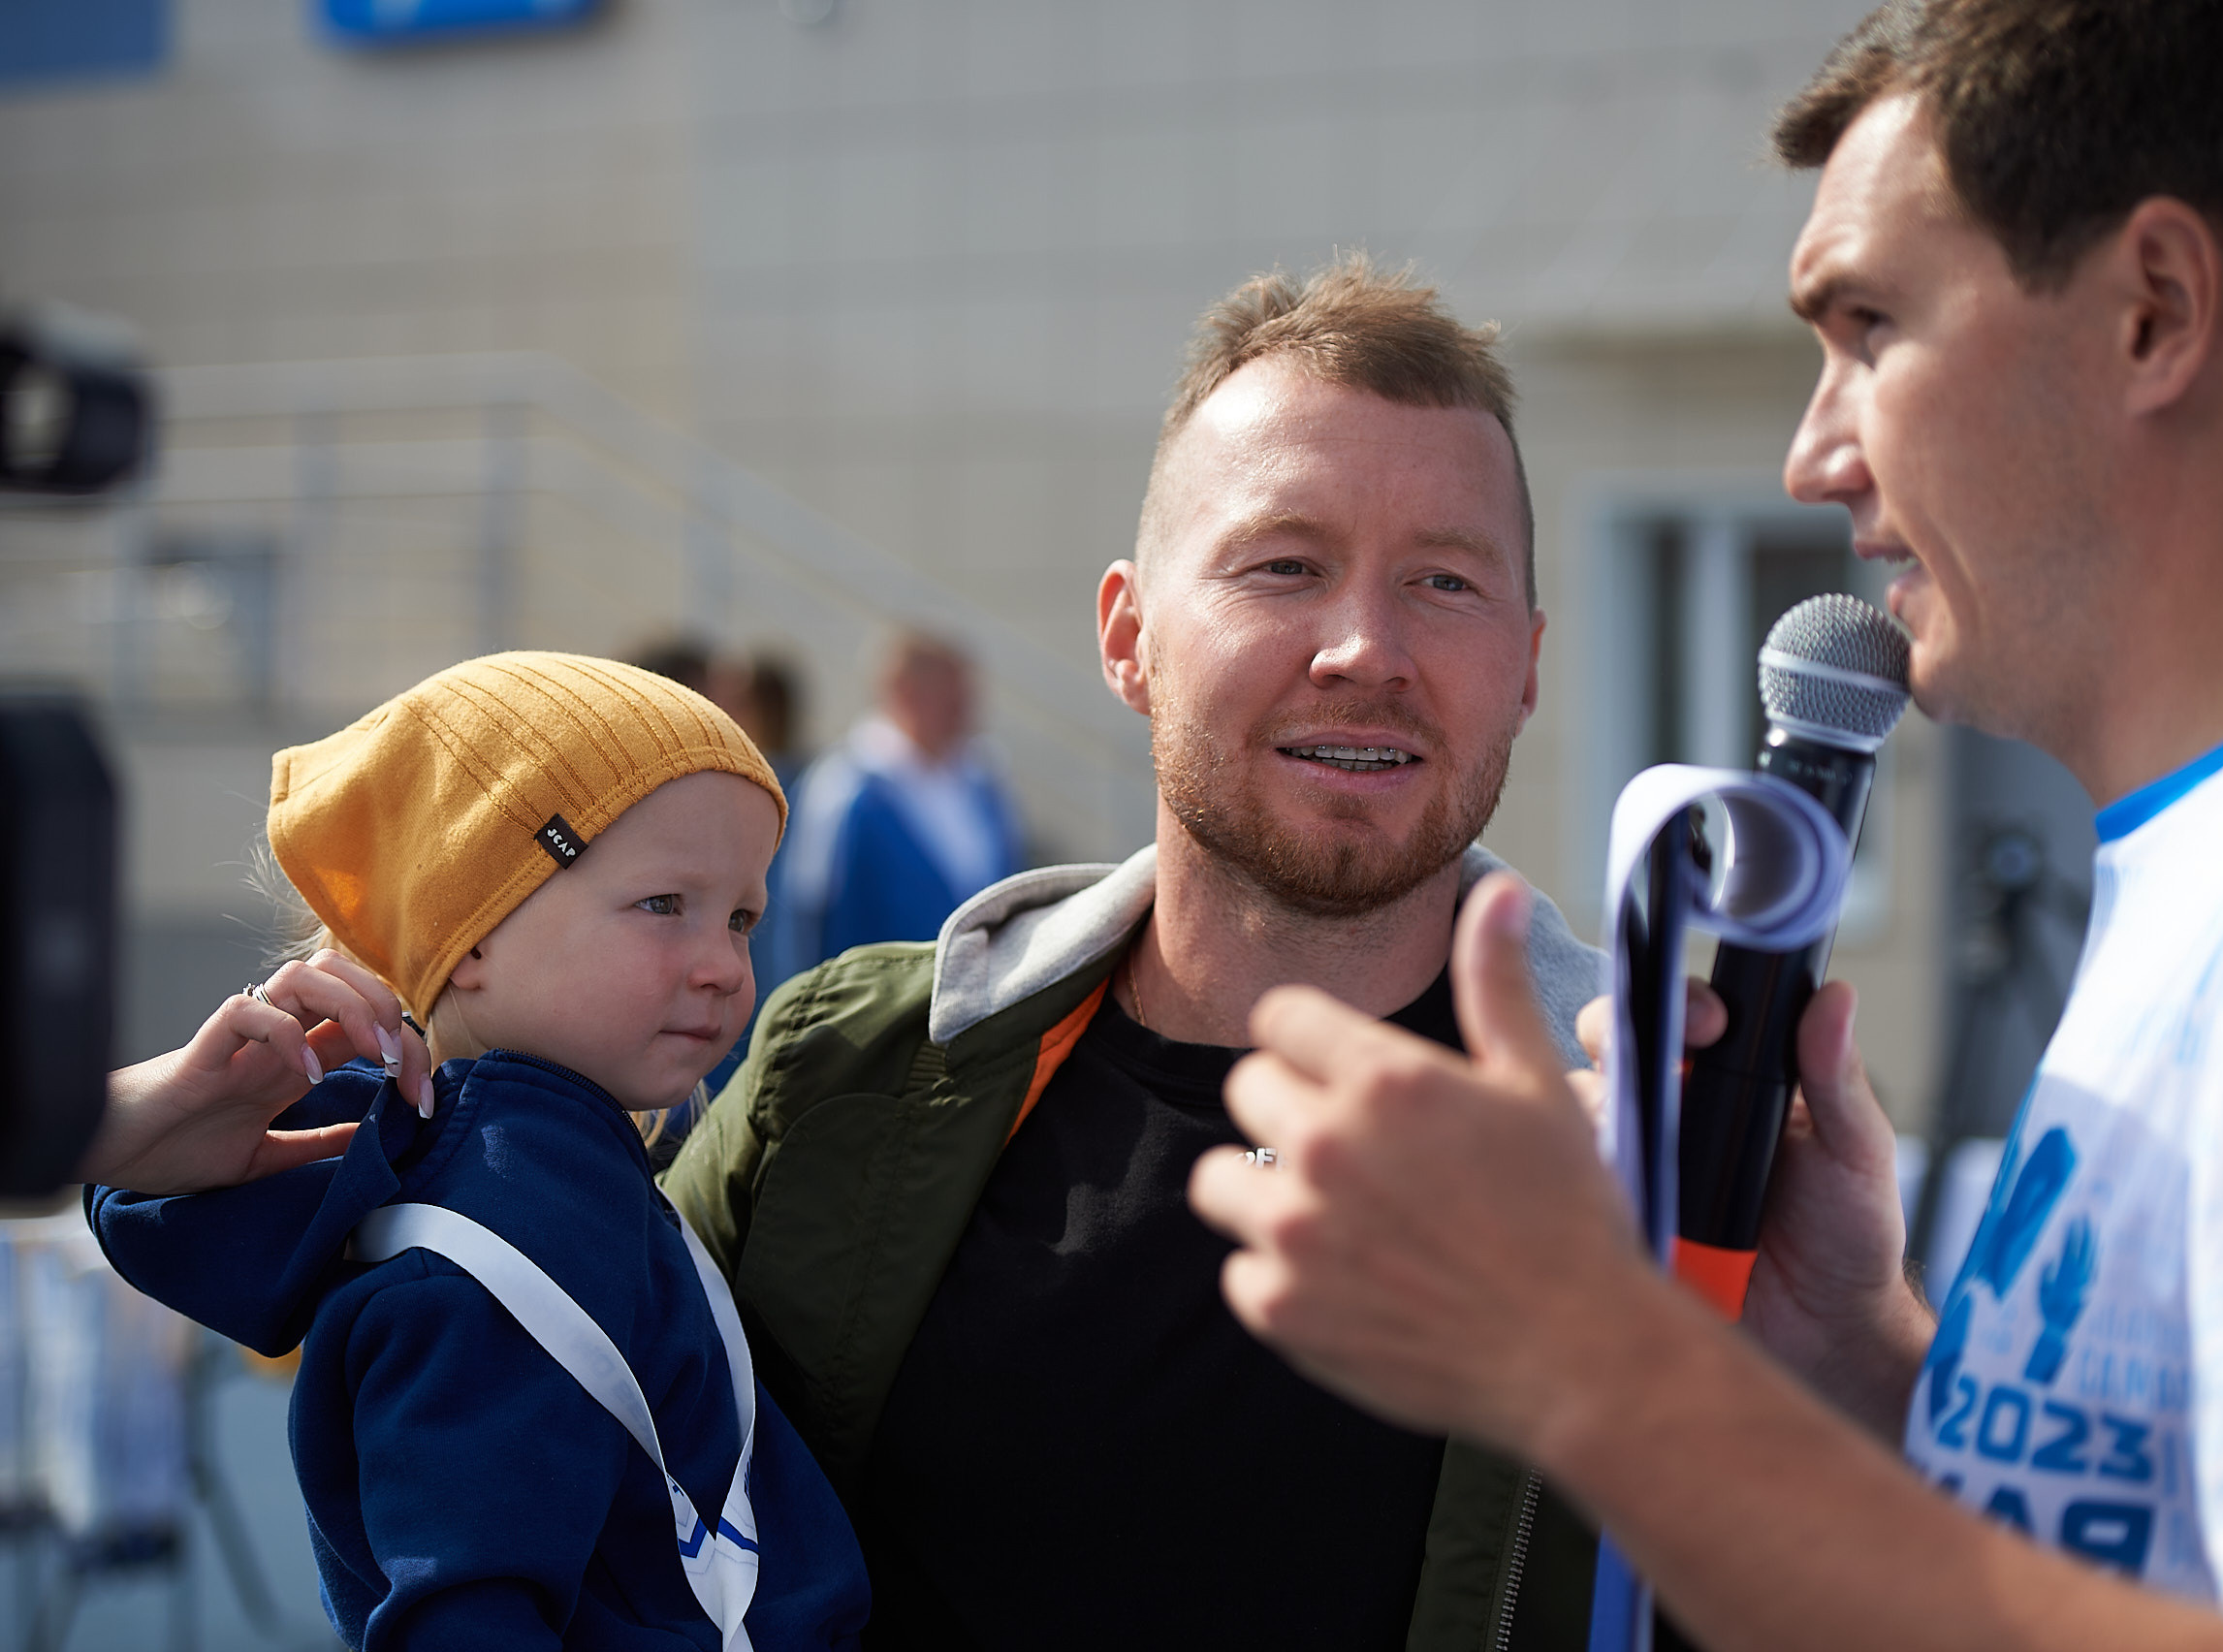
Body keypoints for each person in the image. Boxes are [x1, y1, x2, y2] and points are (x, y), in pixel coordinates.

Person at [1189, 3, 2223, 1649]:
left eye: (1869, 328)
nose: (1812, 455)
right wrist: (1859, 1361)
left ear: (2156, 312)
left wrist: (1611, 1375)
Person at [658, 258, 1608, 1648]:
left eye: (1445, 582)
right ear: (1128, 636)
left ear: (1525, 662)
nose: (1365, 647)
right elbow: (545, 1422)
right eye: (1286, 565)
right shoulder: (839, 1085)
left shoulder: (1668, 1150)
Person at [85, 653, 872, 1650]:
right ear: (475, 934)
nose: (723, 966)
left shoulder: (544, 1177)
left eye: (743, 917)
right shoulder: (498, 1240)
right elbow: (465, 1610)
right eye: (664, 905)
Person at [764, 632, 1025, 998]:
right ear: (903, 690)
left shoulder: (982, 779)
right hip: (879, 1011)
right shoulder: (844, 785)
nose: (964, 708)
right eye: (949, 693)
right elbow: (806, 916)